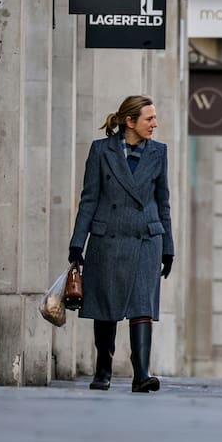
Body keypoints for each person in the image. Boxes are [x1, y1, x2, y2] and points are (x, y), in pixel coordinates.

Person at [68, 95, 173, 393]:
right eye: (149, 119)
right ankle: (104, 367)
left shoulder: (159, 152)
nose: (155, 124)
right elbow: (89, 199)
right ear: (130, 121)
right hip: (108, 237)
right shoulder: (101, 150)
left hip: (146, 239)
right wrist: (77, 244)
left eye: (154, 118)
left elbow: (163, 202)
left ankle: (142, 373)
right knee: (106, 306)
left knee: (142, 305)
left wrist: (168, 246)